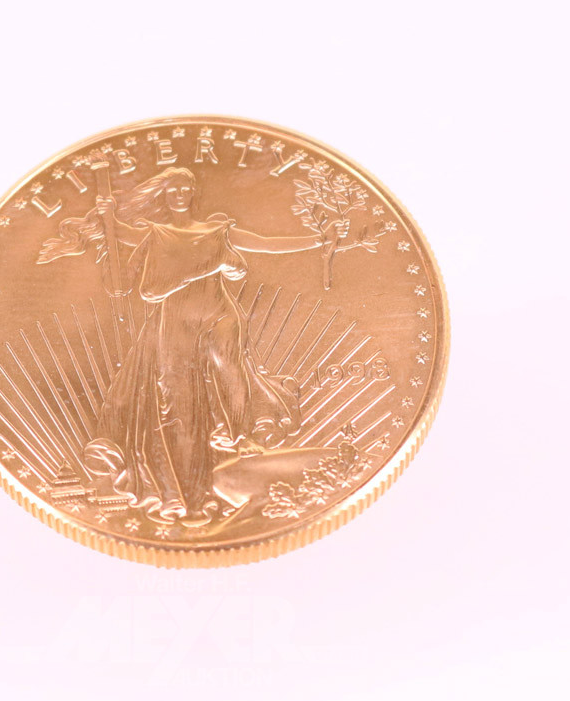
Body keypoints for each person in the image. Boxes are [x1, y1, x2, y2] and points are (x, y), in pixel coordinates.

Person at [39, 167, 343, 520]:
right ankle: (182, 473)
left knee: (228, 366)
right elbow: (119, 238)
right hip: (175, 320)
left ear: (194, 192)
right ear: (164, 196)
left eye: (186, 188)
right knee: (173, 395)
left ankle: (237, 434)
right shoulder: (156, 233)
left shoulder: (217, 230)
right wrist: (107, 214)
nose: (180, 194)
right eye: (173, 189)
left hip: (219, 312)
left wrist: (320, 240)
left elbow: (267, 243)